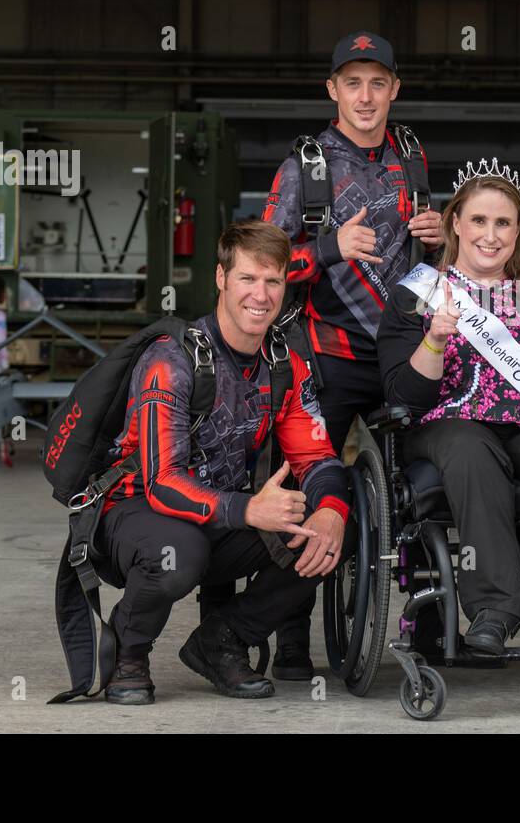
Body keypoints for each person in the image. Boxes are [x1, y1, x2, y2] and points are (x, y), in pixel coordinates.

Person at [91, 220, 349, 704]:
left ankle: (221, 640)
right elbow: (162, 482)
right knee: (180, 552)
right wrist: (249, 510)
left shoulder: (285, 364)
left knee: (330, 534)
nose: (261, 295)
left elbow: (317, 456)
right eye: (248, 278)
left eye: (273, 281)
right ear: (221, 278)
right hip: (133, 511)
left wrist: (332, 510)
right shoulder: (172, 360)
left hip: (220, 514)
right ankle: (129, 652)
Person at [261, 30, 442, 679]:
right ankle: (289, 641)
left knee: (429, 484)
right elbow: (265, 267)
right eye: (353, 83)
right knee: (303, 490)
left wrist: (439, 235)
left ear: (395, 90)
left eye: (377, 84)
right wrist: (328, 249)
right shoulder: (305, 167)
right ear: (332, 90)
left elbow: (427, 258)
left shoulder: (411, 156)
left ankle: (431, 627)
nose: (365, 97)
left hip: (405, 354)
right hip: (328, 356)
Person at [377, 162, 520, 656]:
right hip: (447, 426)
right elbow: (402, 396)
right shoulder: (416, 295)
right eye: (479, 220)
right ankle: (494, 609)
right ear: (455, 223)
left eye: (503, 223)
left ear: (518, 230)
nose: (490, 235)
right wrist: (435, 340)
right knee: (470, 450)